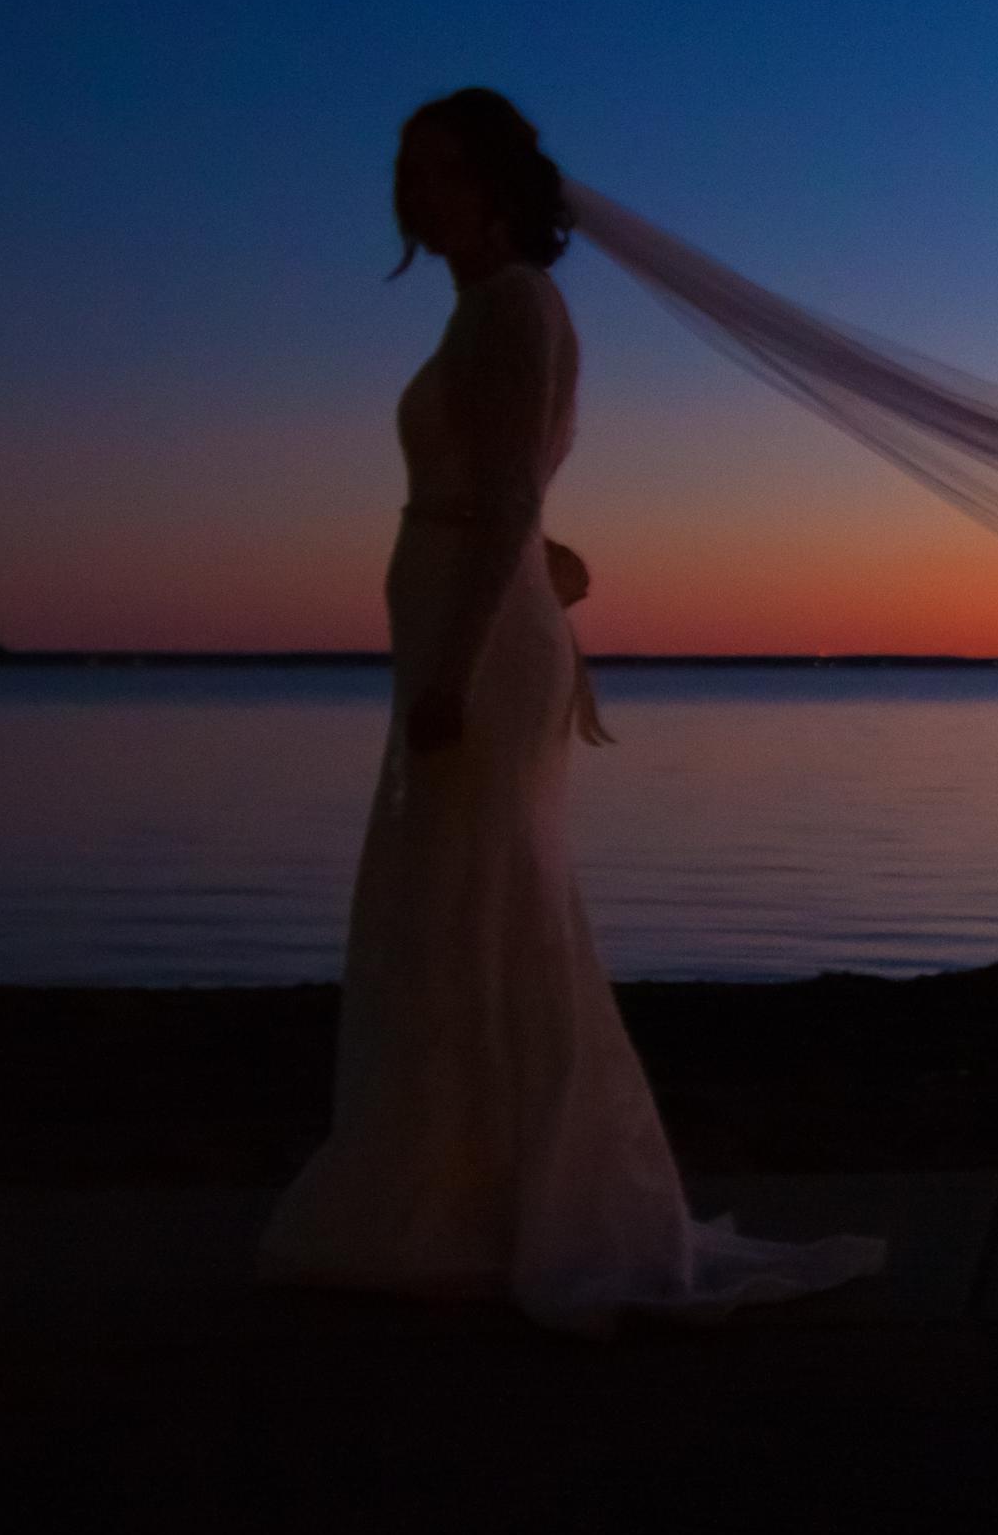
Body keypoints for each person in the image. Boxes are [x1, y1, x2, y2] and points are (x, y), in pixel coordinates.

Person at [259, 89, 885, 1330]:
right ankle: (462, 1195)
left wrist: (455, 666)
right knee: (457, 907)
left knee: (485, 903)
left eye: (436, 170)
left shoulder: (513, 308)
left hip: (474, 653)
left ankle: (507, 1206)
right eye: (404, 169)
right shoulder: (486, 312)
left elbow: (499, 501)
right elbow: (503, 494)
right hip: (470, 623)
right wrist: (540, 564)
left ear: (494, 187)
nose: (413, 190)